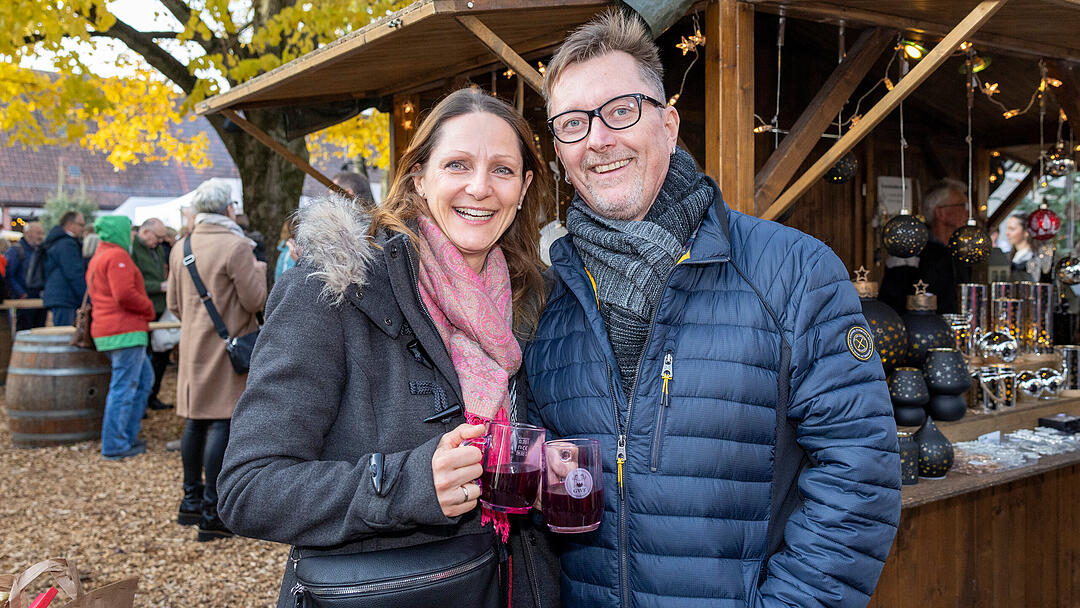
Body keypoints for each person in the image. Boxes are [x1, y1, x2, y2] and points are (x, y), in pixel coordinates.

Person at [524, 11, 900, 608]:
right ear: (560, 151)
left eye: (620, 111)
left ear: (668, 124)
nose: (598, 139)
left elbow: (861, 473)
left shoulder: (794, 272)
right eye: (573, 124)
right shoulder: (548, 299)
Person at [217, 88, 559, 608]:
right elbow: (248, 488)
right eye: (458, 164)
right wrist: (407, 484)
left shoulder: (531, 296)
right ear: (420, 178)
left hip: (512, 587)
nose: (480, 187)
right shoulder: (337, 287)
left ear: (525, 185)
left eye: (503, 170)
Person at [167, 181, 267, 542]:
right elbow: (256, 301)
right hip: (228, 346)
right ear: (227, 209)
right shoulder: (237, 245)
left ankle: (190, 501)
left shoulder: (182, 246)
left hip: (194, 343)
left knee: (195, 422)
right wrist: (259, 270)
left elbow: (175, 304)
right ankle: (213, 512)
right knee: (222, 422)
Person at [87, 215, 157, 460]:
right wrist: (148, 309)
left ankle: (124, 437)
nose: (131, 236)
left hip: (110, 331)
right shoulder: (117, 256)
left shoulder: (99, 255)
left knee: (142, 380)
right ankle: (116, 444)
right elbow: (124, 294)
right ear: (118, 231)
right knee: (124, 388)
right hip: (124, 332)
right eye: (128, 231)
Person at [879, 179, 971, 314]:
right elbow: (892, 300)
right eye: (962, 206)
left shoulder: (960, 251)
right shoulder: (912, 250)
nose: (968, 213)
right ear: (941, 213)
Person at [131, 218, 172, 411]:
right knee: (144, 357)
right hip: (145, 309)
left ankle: (152, 395)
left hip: (160, 308)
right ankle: (141, 399)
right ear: (146, 232)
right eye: (158, 237)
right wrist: (160, 286)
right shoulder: (132, 250)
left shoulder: (155, 248)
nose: (160, 241)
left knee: (161, 354)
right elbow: (133, 284)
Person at [43, 211, 88, 326]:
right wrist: (86, 299)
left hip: (60, 297)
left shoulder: (59, 241)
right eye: (81, 225)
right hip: (64, 298)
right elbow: (74, 273)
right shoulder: (67, 244)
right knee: (64, 336)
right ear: (69, 224)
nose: (83, 228)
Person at [5, 222, 47, 330]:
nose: (41, 236)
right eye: (38, 233)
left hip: (40, 299)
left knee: (40, 331)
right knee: (25, 331)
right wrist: (21, 293)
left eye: (42, 233)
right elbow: (9, 275)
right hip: (24, 300)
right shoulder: (16, 250)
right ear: (27, 233)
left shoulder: (41, 251)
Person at [1005, 213, 1039, 281]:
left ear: (1026, 232)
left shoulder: (1033, 258)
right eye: (1007, 229)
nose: (1007, 233)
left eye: (1012, 229)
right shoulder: (1010, 256)